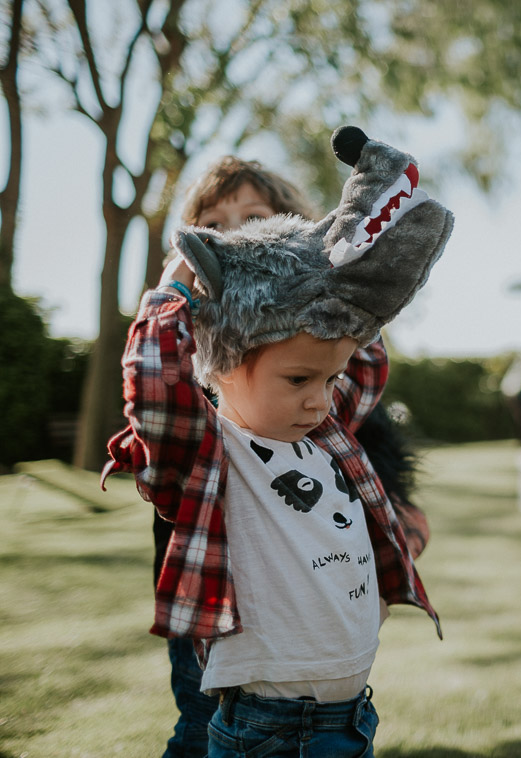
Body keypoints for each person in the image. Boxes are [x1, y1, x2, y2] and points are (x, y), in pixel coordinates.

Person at [104, 129, 451, 757]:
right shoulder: (212, 448)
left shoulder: (320, 426)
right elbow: (156, 386)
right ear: (225, 363)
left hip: (348, 719)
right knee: (192, 724)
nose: (320, 397)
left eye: (254, 222)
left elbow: (358, 360)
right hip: (268, 728)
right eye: (214, 226)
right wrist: (175, 290)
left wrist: (326, 282)